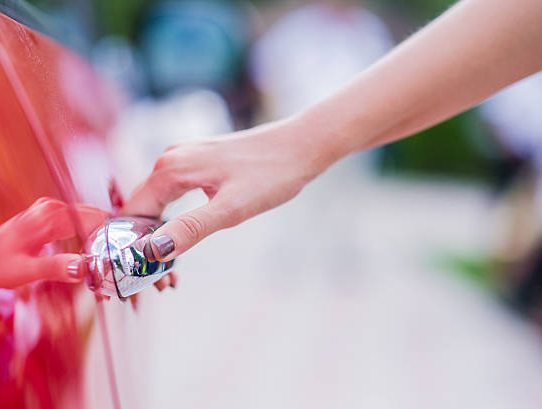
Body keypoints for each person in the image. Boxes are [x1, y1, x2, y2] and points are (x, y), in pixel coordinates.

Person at [124, 0, 542, 292]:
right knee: (299, 204)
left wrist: (306, 142)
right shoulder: (298, 28)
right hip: (307, 121)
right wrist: (290, 135)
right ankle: (293, 255)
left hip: (346, 139)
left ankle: (338, 259)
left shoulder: (367, 29)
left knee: (344, 203)